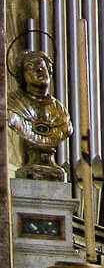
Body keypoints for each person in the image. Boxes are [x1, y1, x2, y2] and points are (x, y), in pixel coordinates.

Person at [7, 46, 71, 180]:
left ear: (49, 69)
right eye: (31, 67)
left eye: (42, 65)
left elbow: (66, 129)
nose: (39, 69)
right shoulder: (13, 105)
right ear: (22, 76)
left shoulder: (61, 111)